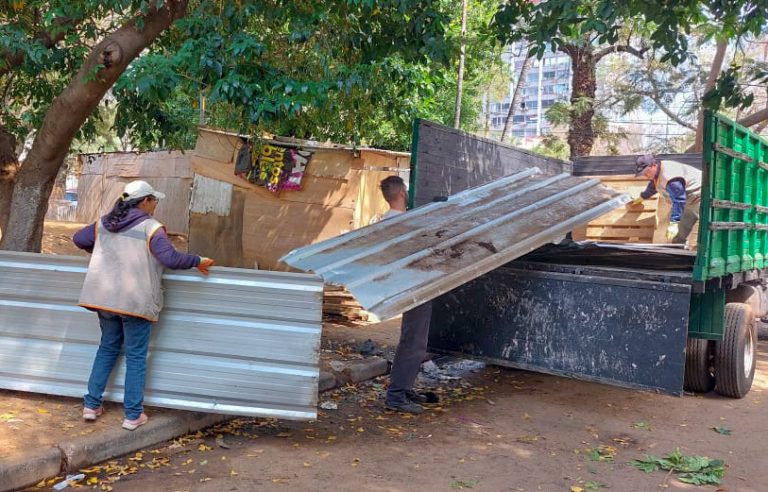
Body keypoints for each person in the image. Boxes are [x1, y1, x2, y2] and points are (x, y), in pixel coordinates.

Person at [73, 180, 215, 430]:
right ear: (145, 201)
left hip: (105, 300)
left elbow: (79, 238)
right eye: (154, 200)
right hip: (134, 302)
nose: (156, 205)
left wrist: (103, 251)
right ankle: (132, 415)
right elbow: (170, 258)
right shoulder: (151, 227)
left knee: (107, 349)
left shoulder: (105, 222)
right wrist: (197, 260)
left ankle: (91, 405)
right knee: (136, 356)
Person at [378, 176, 435, 414]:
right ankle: (396, 395)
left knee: (411, 339)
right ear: (402, 193)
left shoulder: (385, 222)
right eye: (407, 190)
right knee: (414, 342)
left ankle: (404, 386)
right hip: (413, 287)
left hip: (407, 286)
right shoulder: (403, 223)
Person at [633, 154, 702, 244]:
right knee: (679, 235)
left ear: (653, 165)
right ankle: (678, 249)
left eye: (646, 171)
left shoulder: (670, 177)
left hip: (700, 195)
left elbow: (679, 200)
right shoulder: (658, 171)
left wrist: (674, 222)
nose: (645, 175)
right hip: (687, 199)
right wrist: (643, 196)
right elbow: (654, 184)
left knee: (702, 232)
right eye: (643, 173)